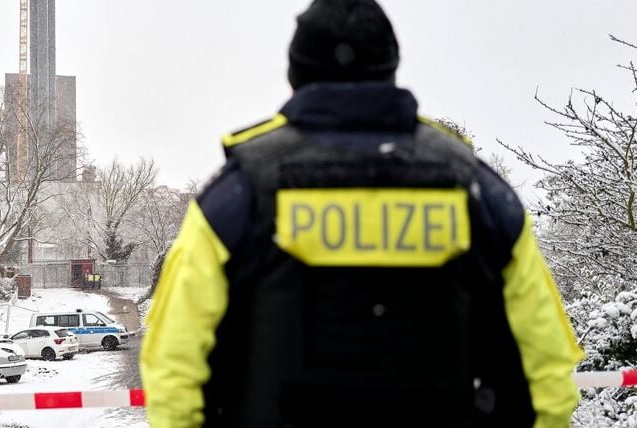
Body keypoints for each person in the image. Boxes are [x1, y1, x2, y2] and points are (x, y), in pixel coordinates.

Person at [139, 1, 584, 427]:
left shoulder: (237, 195)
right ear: (390, 68)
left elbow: (173, 369)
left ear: (295, 74)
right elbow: (546, 374)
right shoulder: (479, 192)